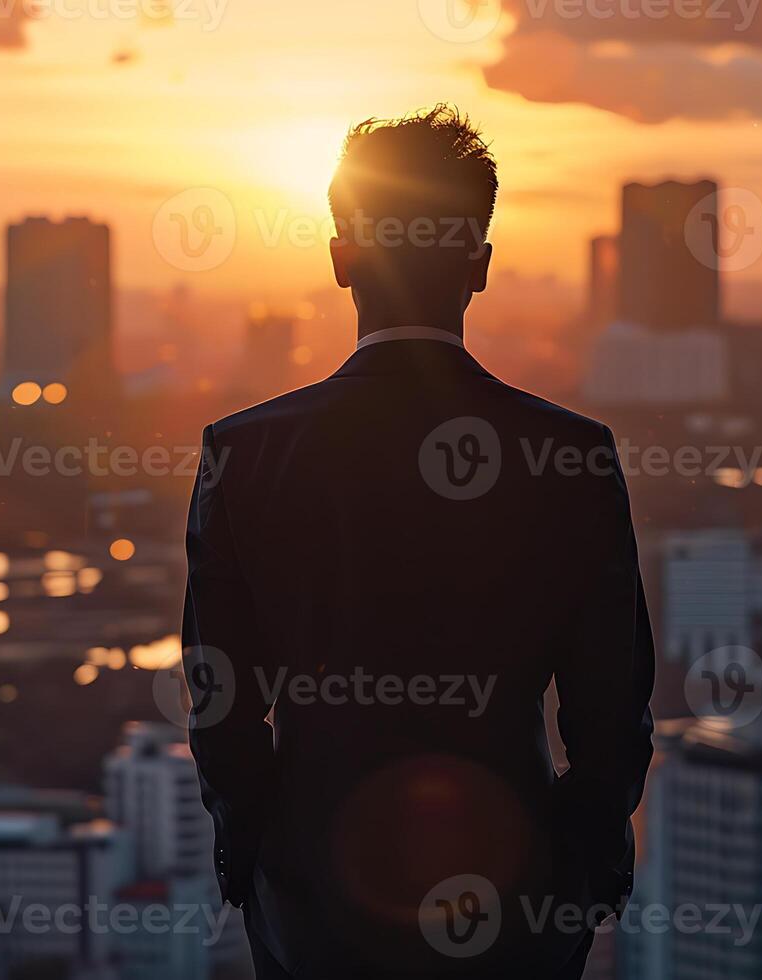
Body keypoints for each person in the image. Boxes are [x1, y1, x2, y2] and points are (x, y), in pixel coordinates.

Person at [181, 105, 655, 980]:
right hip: (516, 899)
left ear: (340, 258)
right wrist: (587, 873)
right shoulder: (570, 456)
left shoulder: (244, 455)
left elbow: (221, 699)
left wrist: (250, 859)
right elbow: (609, 707)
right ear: (478, 265)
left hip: (313, 900)